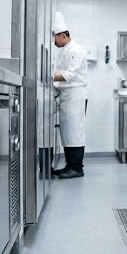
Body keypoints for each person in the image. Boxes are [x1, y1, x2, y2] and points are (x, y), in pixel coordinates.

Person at [52, 12, 89, 179]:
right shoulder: (65, 50)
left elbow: (69, 74)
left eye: (55, 38)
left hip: (75, 96)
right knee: (67, 131)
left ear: (62, 35)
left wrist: (49, 76)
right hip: (66, 96)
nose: (54, 42)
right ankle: (69, 165)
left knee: (75, 131)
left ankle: (76, 168)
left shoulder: (77, 50)